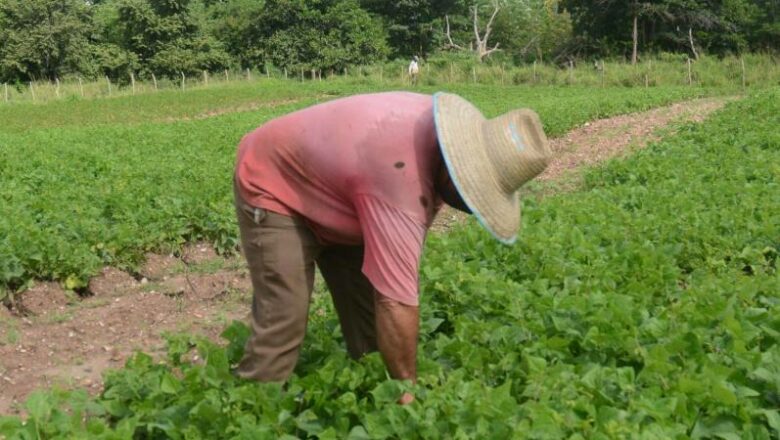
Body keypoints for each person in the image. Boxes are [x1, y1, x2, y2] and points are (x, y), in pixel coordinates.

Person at [233, 92, 552, 403]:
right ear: (456, 165)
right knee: (285, 314)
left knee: (368, 321)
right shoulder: (401, 179)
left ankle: (369, 392)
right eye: (473, 193)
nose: (471, 207)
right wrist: (407, 394)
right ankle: (251, 408)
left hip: (343, 189)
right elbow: (396, 300)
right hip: (274, 182)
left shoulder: (435, 143)